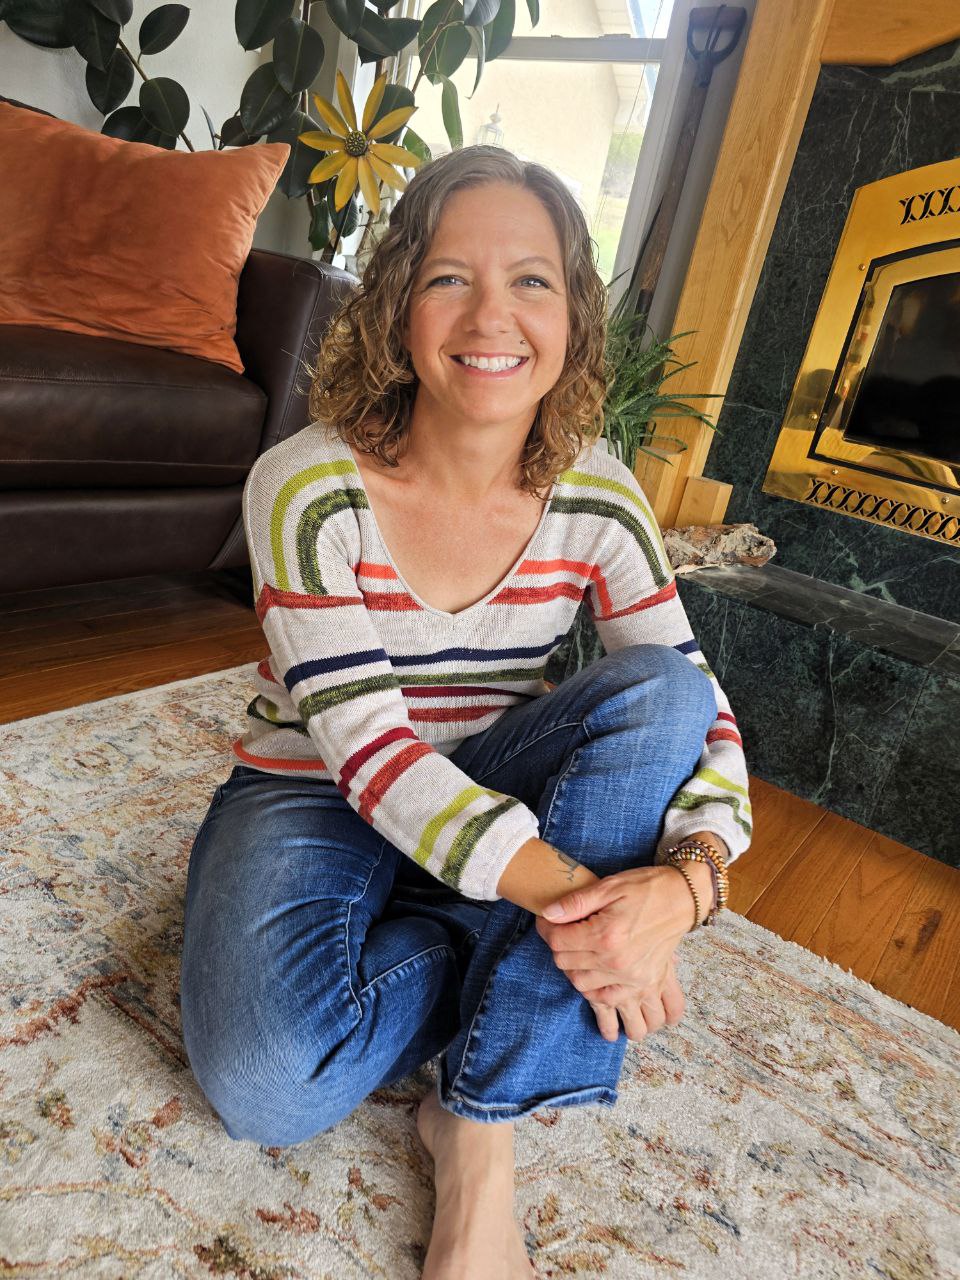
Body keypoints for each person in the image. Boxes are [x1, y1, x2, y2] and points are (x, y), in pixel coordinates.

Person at [180, 145, 753, 1280]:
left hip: (495, 776)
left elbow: (704, 712)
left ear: (573, 319)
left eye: (532, 280)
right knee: (263, 1085)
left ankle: (478, 1123)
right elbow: (376, 756)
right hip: (320, 785)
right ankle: (492, 931)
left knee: (662, 692)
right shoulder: (304, 482)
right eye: (450, 277)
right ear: (398, 308)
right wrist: (596, 908)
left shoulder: (599, 490)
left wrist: (687, 888)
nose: (493, 314)